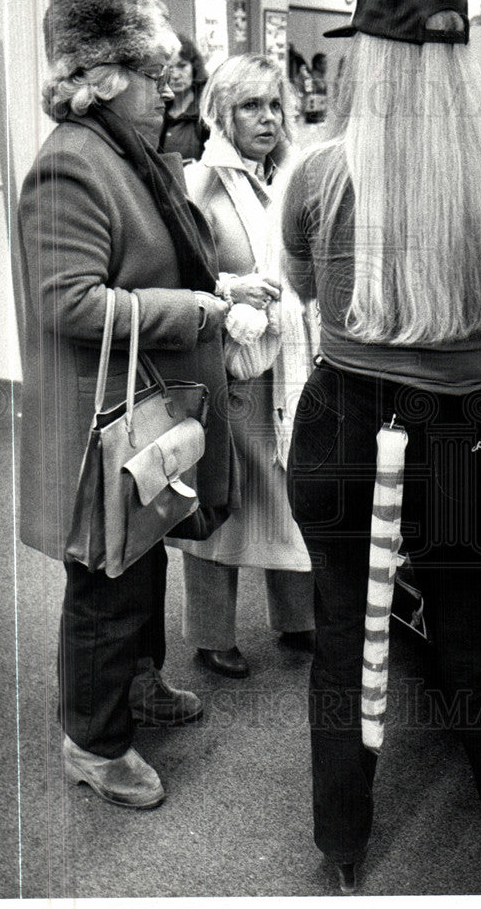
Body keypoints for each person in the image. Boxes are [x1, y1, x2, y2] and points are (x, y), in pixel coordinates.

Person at [281, 0, 481, 892]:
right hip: (453, 429)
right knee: (468, 630)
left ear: (365, 52)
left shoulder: (318, 174)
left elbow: (305, 296)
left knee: (340, 631)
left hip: (338, 417)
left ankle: (341, 842)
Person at [16, 0, 235, 810]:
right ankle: (94, 744)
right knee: (106, 585)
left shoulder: (126, 154)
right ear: (107, 77)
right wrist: (196, 310)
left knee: (139, 563)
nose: (168, 92)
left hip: (138, 410)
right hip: (98, 422)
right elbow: (68, 303)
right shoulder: (72, 167)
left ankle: (137, 688)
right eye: (156, 76)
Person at [169, 54, 317, 678]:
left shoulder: (289, 175)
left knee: (288, 496)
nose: (268, 118)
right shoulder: (198, 183)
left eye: (275, 105)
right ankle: (210, 635)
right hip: (230, 369)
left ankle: (298, 621)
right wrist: (233, 289)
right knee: (221, 505)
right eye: (251, 106)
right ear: (222, 114)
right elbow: (179, 278)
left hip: (287, 364)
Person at [158, 32, 210, 161]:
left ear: (194, 67)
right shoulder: (156, 108)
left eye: (182, 66)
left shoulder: (207, 110)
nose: (175, 75)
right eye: (169, 68)